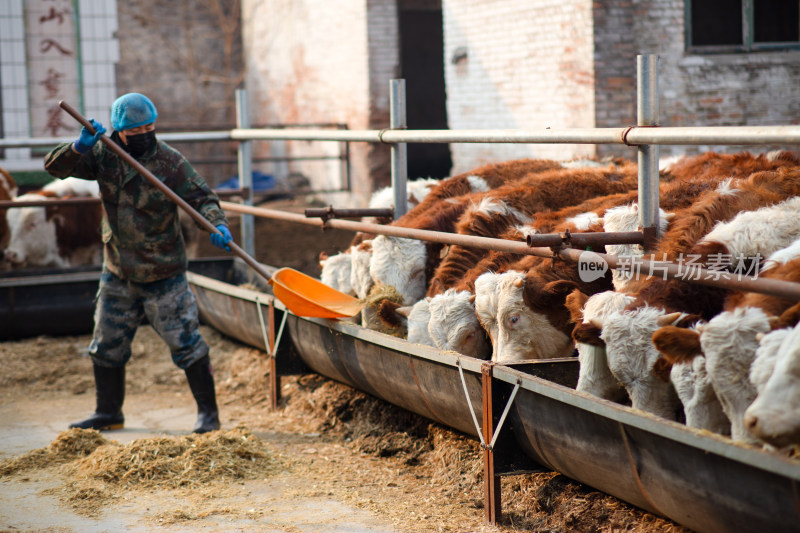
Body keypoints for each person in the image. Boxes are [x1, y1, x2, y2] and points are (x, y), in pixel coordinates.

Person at [44, 92, 234, 434]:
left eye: (150, 125)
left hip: (164, 272)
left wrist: (216, 223)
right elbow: (54, 167)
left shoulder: (169, 161)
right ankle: (108, 413)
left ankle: (209, 415)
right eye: (137, 129)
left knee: (187, 344)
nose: (146, 133)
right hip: (118, 270)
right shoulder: (103, 154)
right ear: (120, 131)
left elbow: (202, 197)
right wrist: (79, 147)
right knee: (106, 345)